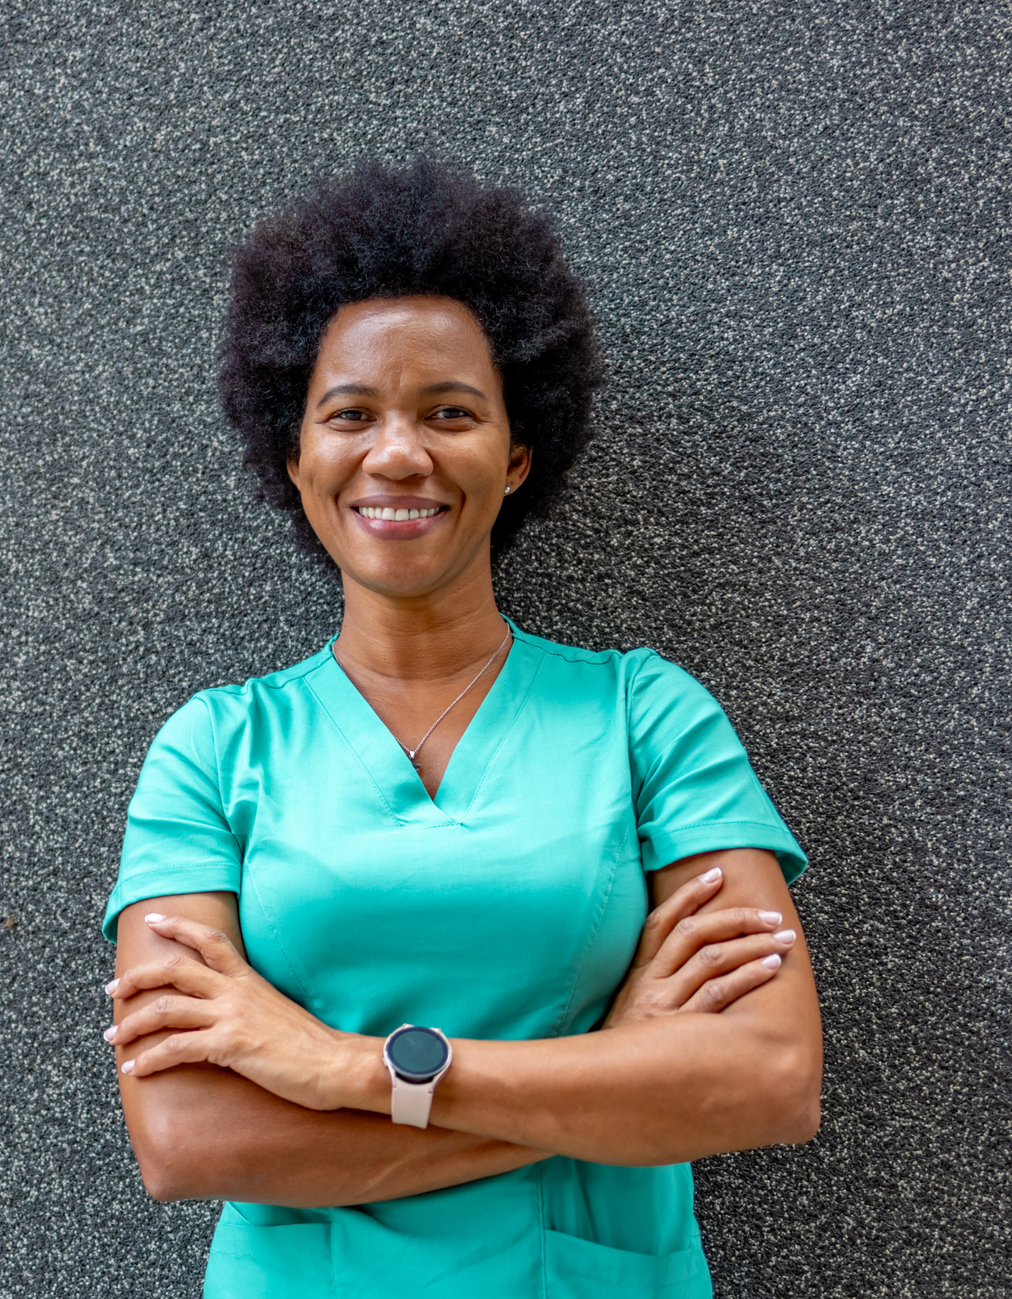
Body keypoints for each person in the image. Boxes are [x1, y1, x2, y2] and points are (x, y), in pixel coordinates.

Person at [101, 159, 821, 1298]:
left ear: (515, 453)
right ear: (293, 458)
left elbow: (770, 1076)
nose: (397, 453)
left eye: (449, 411)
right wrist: (606, 1077)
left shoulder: (644, 717)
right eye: (349, 415)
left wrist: (339, 1067)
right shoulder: (212, 749)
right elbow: (188, 1140)